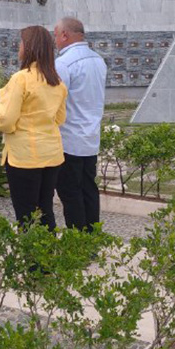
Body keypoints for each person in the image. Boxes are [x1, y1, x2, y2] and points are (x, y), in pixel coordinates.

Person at [0, 25, 67, 229]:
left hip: (24, 158)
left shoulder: (21, 78)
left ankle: (32, 261)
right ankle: (49, 257)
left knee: (26, 214)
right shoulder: (57, 82)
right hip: (51, 155)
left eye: (22, 42)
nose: (19, 47)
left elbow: (7, 121)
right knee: (45, 209)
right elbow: (60, 118)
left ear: (30, 47)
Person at [53, 17, 107, 232]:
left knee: (70, 192)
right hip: (91, 138)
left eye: (56, 35)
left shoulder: (63, 63)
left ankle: (77, 243)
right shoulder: (98, 60)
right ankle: (92, 237)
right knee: (89, 190)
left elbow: (55, 101)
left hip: (69, 140)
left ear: (65, 35)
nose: (55, 40)